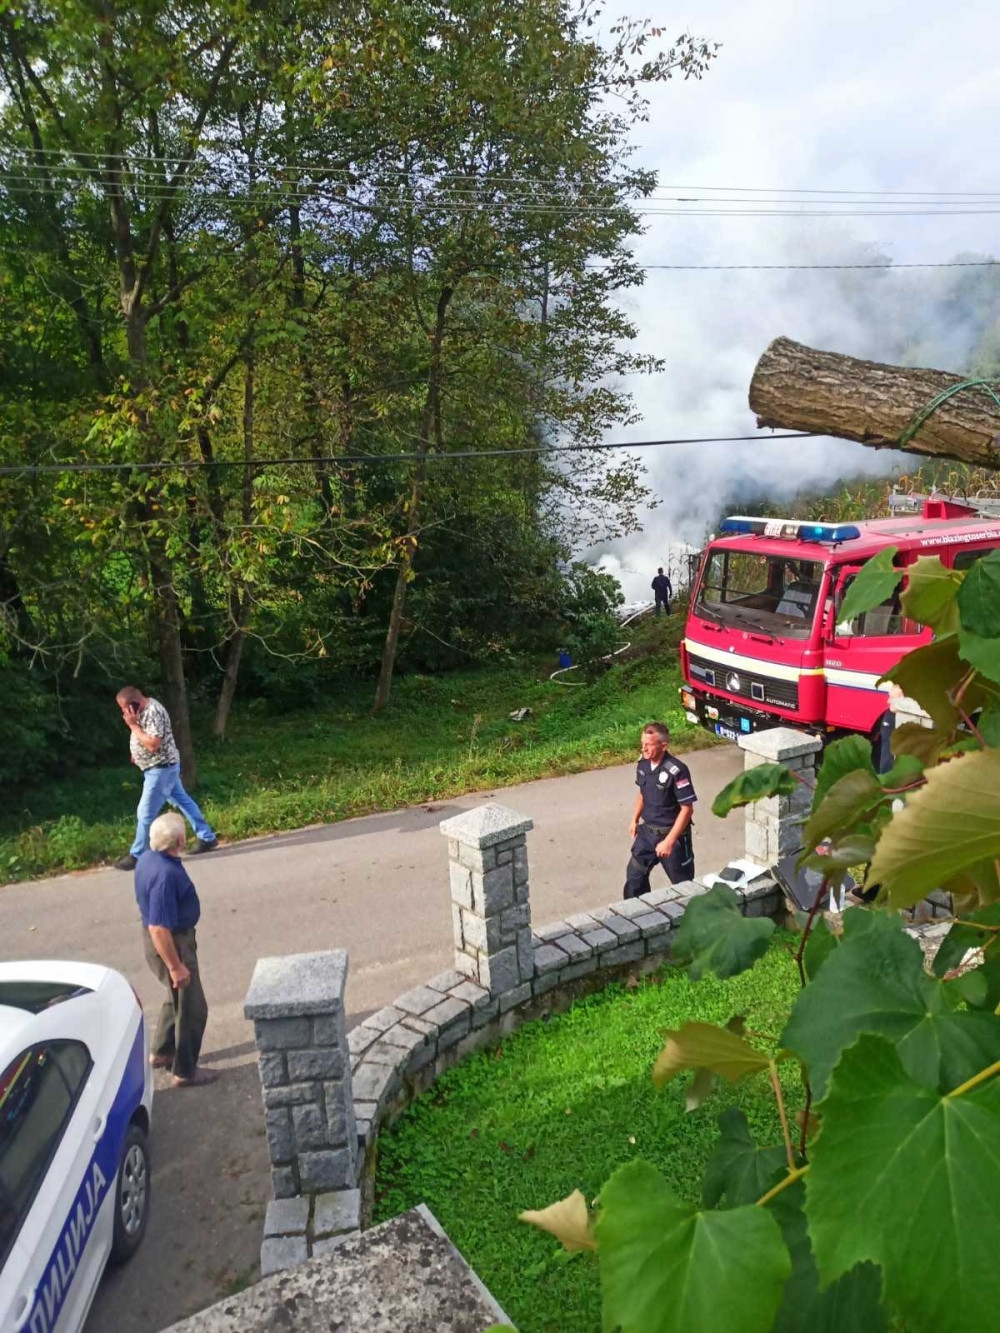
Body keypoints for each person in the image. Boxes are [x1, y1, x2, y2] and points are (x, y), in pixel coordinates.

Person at [135, 812, 217, 1087]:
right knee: (193, 1008)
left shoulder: (148, 858)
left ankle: (161, 1052)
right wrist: (176, 965)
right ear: (180, 841)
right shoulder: (165, 875)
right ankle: (185, 1070)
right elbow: (159, 928)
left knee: (175, 998)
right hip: (171, 944)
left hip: (162, 941)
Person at [114, 685, 218, 871]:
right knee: (183, 801)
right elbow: (144, 737)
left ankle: (137, 854)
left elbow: (153, 744)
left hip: (160, 769)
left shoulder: (153, 712)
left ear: (134, 705)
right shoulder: (142, 712)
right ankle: (207, 837)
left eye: (124, 708)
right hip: (158, 768)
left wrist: (133, 725)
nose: (123, 713)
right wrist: (136, 751)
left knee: (145, 812)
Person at [623, 722, 696, 898]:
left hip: (672, 837)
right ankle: (635, 914)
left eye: (648, 744)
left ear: (663, 746)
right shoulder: (643, 764)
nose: (644, 748)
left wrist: (669, 841)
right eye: (642, 743)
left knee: (684, 887)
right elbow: (643, 792)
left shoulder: (677, 770)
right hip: (647, 833)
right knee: (634, 878)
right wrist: (634, 820)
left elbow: (687, 809)